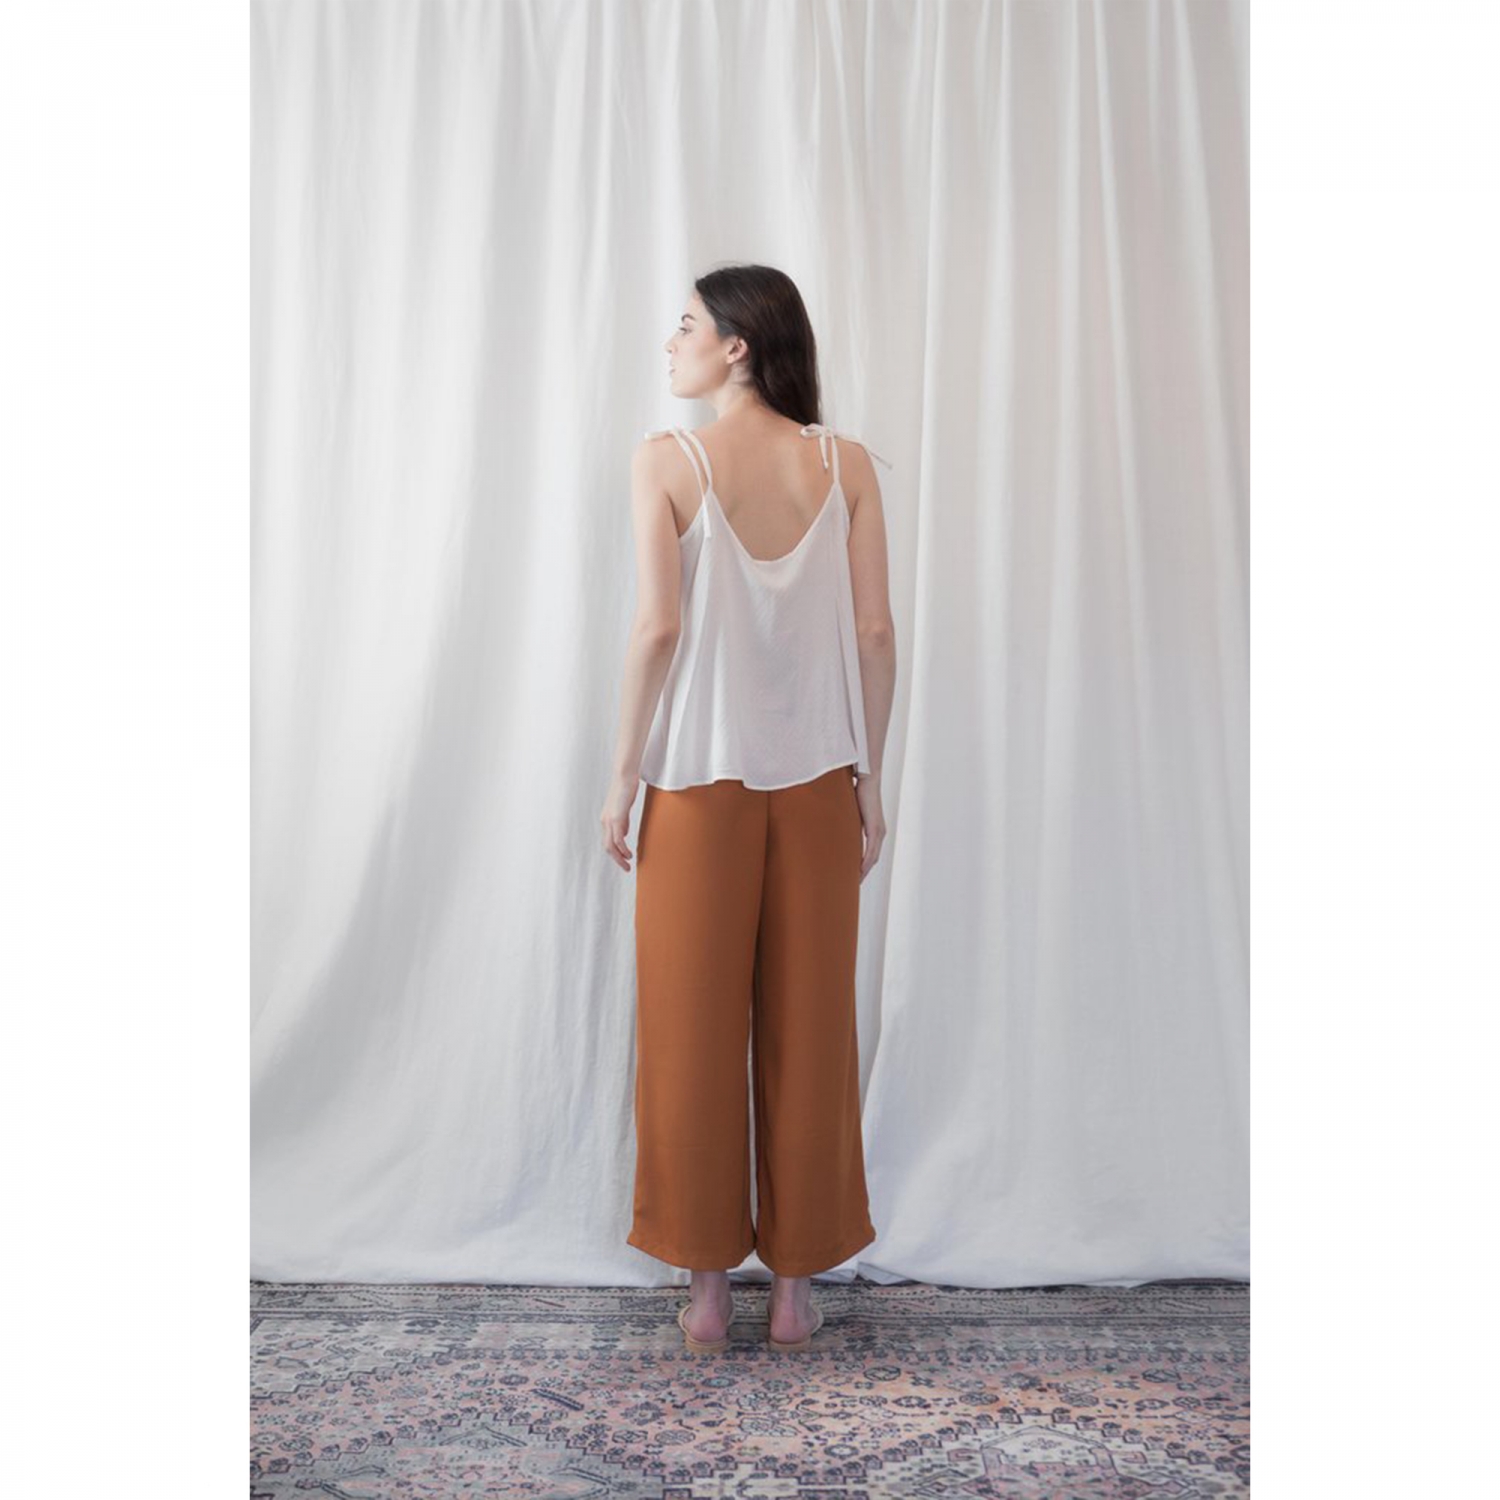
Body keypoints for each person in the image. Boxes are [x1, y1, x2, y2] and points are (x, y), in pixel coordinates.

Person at [600, 264, 897, 1353]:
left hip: (695, 788)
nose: (670, 342)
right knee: (813, 1033)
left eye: (685, 324)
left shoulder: (665, 462)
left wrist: (622, 774)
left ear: (735, 345)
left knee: (689, 1033)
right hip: (818, 784)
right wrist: (872, 776)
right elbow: (875, 633)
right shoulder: (843, 464)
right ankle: (795, 1294)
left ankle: (708, 1292)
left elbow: (657, 630)